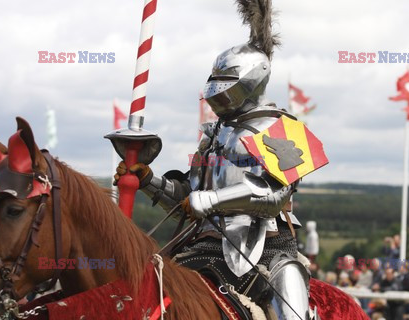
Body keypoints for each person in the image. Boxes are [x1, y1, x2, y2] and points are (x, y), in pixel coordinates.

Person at [113, 1, 321, 318]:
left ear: (251, 82)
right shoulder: (214, 134)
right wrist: (147, 180)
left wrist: (208, 200)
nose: (217, 95)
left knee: (292, 313)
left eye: (226, 86)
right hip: (201, 245)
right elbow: (189, 196)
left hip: (266, 248)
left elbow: (273, 197)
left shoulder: (284, 129)